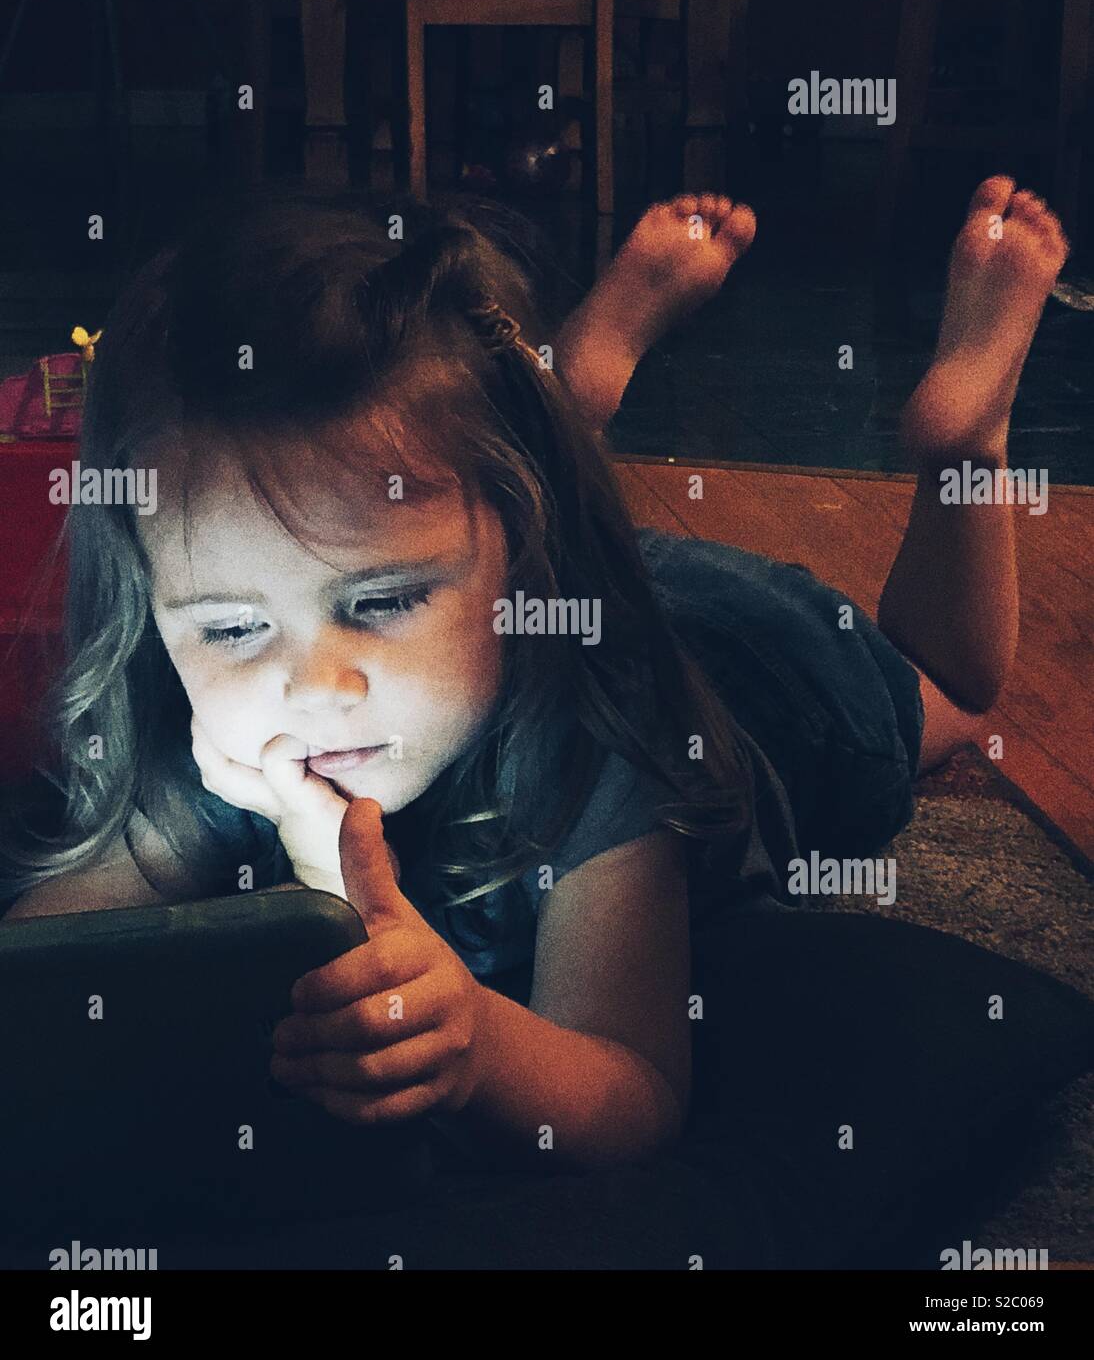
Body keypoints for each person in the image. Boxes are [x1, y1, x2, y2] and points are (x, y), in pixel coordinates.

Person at [0, 175, 1069, 1180]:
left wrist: (479, 1044)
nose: (311, 682)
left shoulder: (610, 746)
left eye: (379, 602)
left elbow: (631, 1086)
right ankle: (568, 401)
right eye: (232, 625)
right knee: (492, 483)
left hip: (758, 669)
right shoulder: (213, 729)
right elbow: (65, 941)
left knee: (953, 697)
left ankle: (966, 437)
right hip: (538, 565)